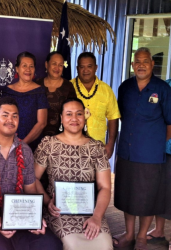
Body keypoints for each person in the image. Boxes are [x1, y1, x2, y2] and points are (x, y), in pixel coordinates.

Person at [0, 96, 62, 250]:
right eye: (5, 115)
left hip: (20, 210)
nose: (10, 120)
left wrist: (35, 217)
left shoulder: (25, 150)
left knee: (50, 245)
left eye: (15, 116)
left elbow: (30, 188)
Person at [34, 98, 112, 250]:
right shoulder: (48, 144)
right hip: (59, 212)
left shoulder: (96, 148)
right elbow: (33, 179)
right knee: (72, 244)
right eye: (69, 114)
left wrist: (97, 217)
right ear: (61, 119)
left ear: (85, 117)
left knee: (104, 243)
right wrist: (47, 201)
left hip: (91, 212)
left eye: (79, 114)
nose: (74, 119)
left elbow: (105, 187)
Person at [114, 47, 171, 250]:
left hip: (151, 154)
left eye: (145, 61)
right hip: (127, 151)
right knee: (128, 195)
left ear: (152, 64)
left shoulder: (163, 89)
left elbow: (170, 123)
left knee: (147, 197)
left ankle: (141, 237)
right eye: (137, 61)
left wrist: (154, 143)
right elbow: (119, 115)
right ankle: (129, 234)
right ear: (132, 65)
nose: (141, 65)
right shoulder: (125, 87)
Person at [70, 52, 120, 159]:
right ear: (77, 68)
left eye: (89, 66)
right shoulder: (68, 87)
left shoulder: (106, 90)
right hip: (70, 148)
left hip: (97, 149)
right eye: (82, 67)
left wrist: (110, 145)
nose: (86, 70)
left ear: (96, 68)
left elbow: (113, 118)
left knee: (96, 176)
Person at [2, 51, 49, 152]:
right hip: (8, 145)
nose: (28, 69)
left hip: (32, 145)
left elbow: (42, 123)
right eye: (24, 65)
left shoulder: (39, 91)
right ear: (17, 69)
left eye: (31, 66)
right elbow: (2, 119)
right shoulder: (7, 91)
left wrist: (22, 144)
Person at [145, 78, 171, 248]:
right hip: (164, 148)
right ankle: (159, 230)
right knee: (160, 190)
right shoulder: (166, 86)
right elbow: (153, 110)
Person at [35, 51, 77, 138]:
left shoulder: (68, 86)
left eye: (60, 65)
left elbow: (73, 113)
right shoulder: (37, 84)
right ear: (46, 64)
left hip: (60, 138)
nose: (57, 68)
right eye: (54, 64)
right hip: (36, 135)